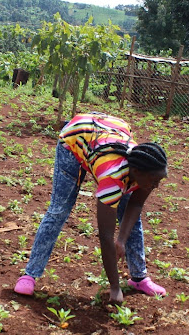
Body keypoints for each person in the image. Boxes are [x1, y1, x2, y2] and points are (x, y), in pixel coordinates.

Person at [14, 112, 168, 303]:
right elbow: (105, 234)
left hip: (107, 132)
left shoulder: (148, 169)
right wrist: (114, 287)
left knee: (132, 219)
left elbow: (135, 205)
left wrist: (121, 240)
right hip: (75, 138)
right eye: (154, 181)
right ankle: (30, 274)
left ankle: (138, 277)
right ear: (136, 172)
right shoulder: (113, 177)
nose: (156, 186)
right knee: (59, 209)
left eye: (159, 180)